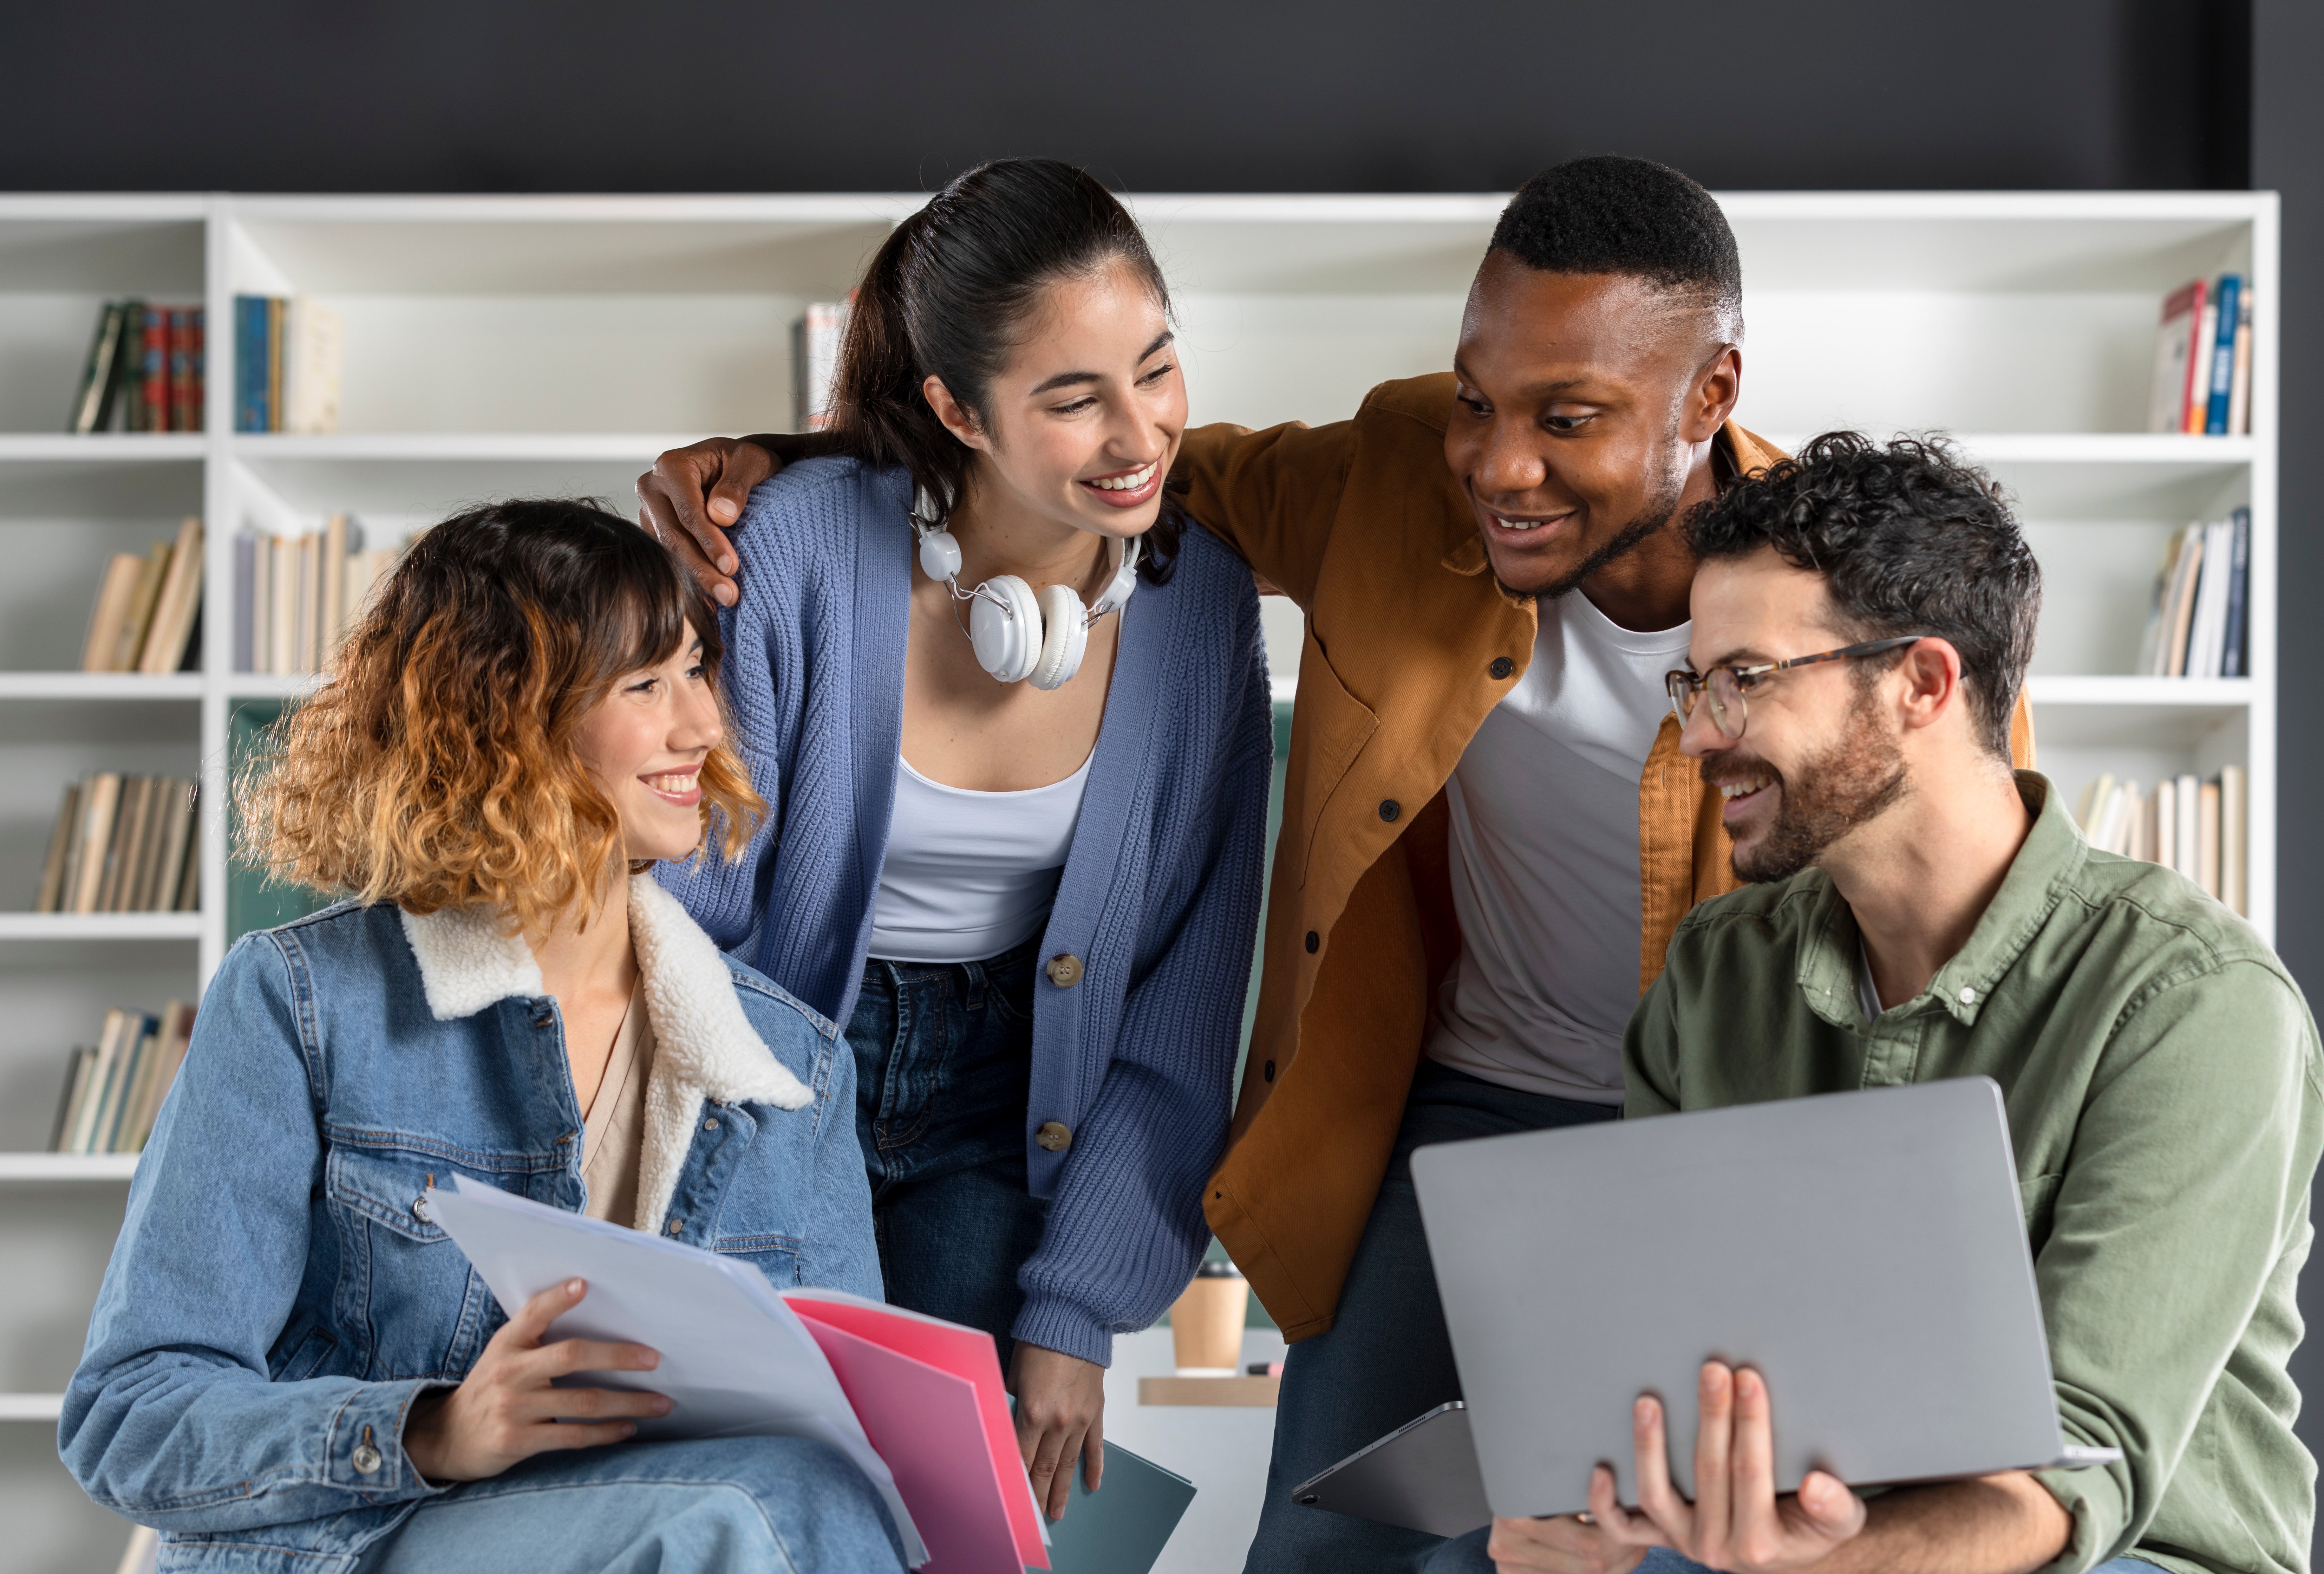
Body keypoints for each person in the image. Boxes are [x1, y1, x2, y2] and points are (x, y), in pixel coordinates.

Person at [637, 157, 2033, 1568]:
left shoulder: (1870, 613)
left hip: (1727, 1139)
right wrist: (797, 466)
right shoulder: (1393, 478)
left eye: (1571, 419)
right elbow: (1124, 477)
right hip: (1460, 1108)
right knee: (1324, 1537)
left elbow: (1990, 940)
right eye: (1478, 400)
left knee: (1660, 1541)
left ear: (1710, 397)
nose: (1499, 465)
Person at [1439, 434, 2320, 1574]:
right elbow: (1666, 1365)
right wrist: (1586, 1509)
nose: (1698, 732)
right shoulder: (1716, 976)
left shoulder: (2195, 1004)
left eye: (1743, 679)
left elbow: (2070, 1473)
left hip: (2122, 1553)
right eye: (1692, 684)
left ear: (1923, 684)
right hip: (1799, 1531)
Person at [58, 502, 904, 1573]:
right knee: (764, 1509)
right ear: (507, 721)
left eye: (697, 671)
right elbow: (131, 1417)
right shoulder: (299, 1003)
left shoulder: (789, 1066)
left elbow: (853, 1431)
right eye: (646, 687)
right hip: (367, 1543)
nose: (703, 727)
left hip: (671, 1540)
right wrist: (433, 1431)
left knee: (813, 1500)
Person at [651, 158, 1272, 1519]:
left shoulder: (1204, 609)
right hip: (772, 1062)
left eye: (1156, 371)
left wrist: (1080, 1307)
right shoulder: (798, 548)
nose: (1140, 434)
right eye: (1073, 399)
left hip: (1008, 1104)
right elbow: (677, 902)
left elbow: (1181, 1007)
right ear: (954, 409)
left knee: (952, 1517)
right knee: (757, 1502)